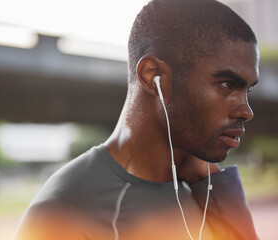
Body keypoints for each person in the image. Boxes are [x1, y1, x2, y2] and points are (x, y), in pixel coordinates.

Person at [15, 0, 260, 239]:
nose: (246, 112)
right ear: (154, 76)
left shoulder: (209, 191)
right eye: (227, 84)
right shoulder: (64, 213)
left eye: (247, 90)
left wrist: (217, 186)